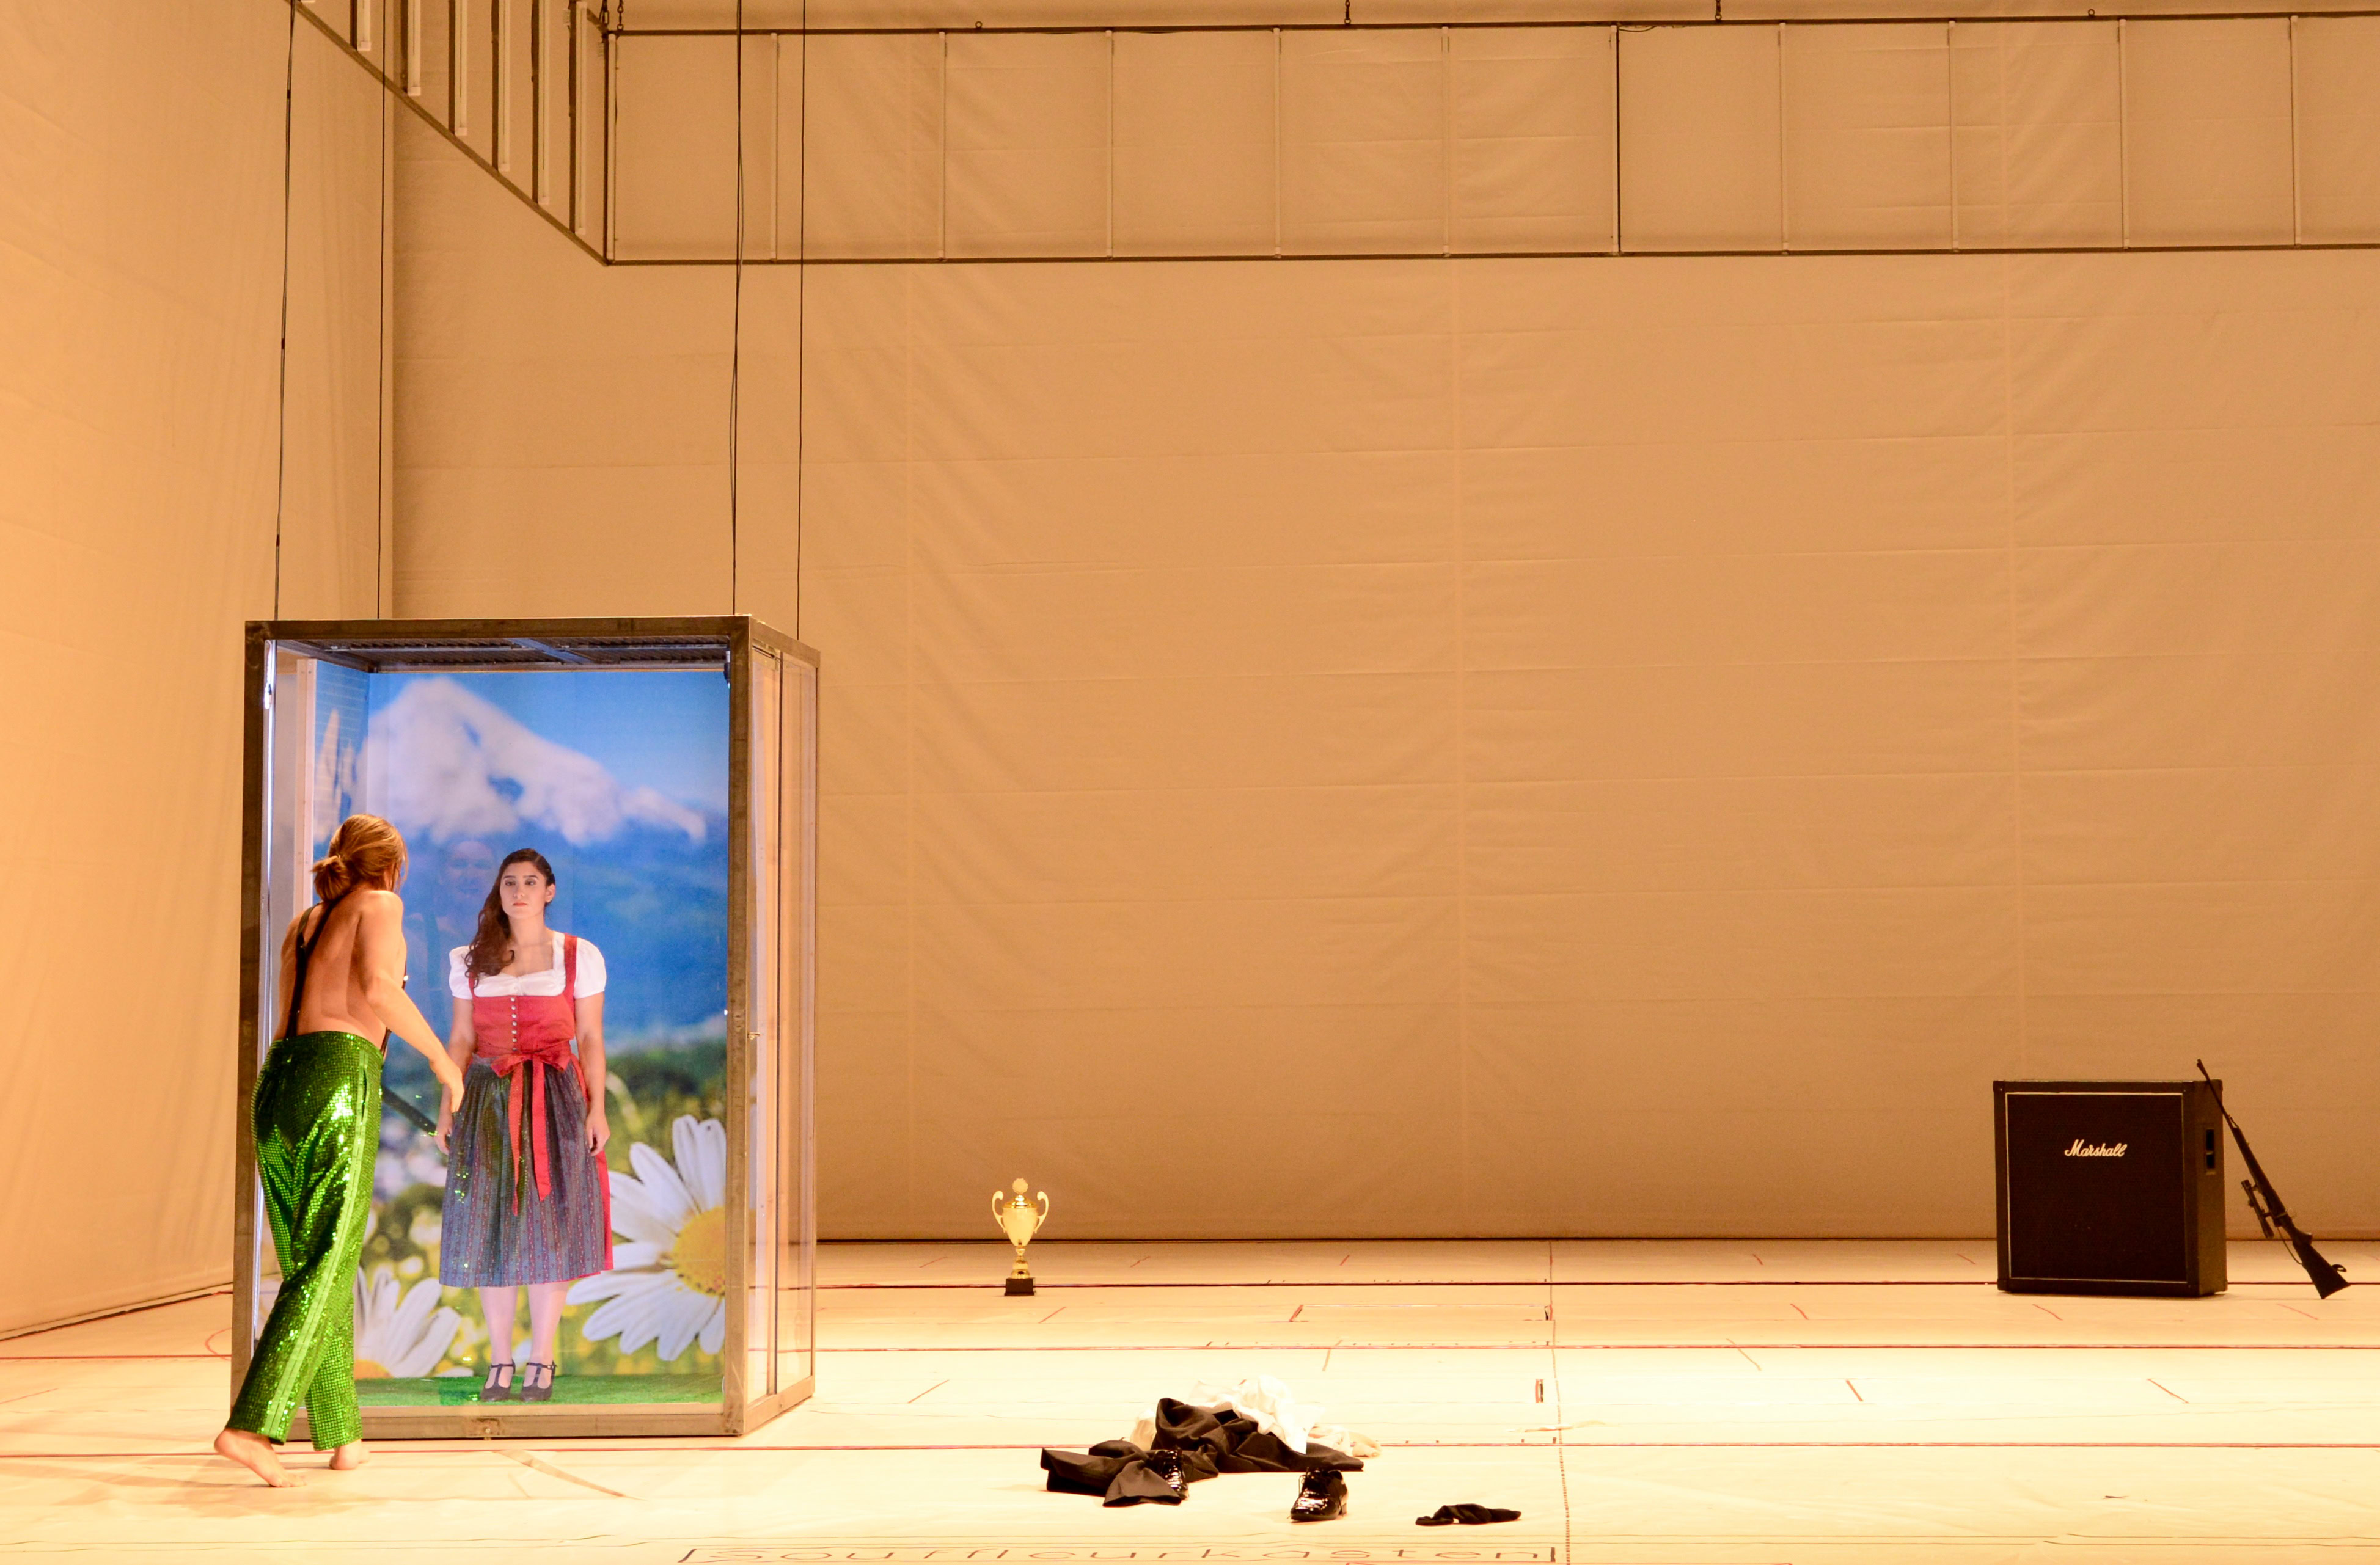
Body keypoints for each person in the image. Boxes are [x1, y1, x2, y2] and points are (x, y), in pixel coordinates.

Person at [216, 815, 467, 1488]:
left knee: (311, 1265)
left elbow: (292, 1013)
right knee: (328, 1260)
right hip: (336, 1078)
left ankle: (343, 1434)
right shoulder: (380, 904)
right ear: (391, 866)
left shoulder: (306, 922)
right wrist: (443, 1062)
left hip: (279, 1080)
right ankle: (251, 1425)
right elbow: (380, 991)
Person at [435, 848, 613, 1403]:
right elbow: (462, 1039)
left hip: (555, 1096)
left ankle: (542, 1356)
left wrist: (597, 1107)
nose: (519, 891)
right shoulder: (469, 959)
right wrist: (447, 1104)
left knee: (550, 1225)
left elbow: (590, 1038)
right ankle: (500, 1358)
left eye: (531, 882)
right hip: (488, 1097)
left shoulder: (578, 955)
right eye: (510, 882)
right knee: (491, 1224)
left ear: (549, 891)